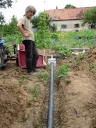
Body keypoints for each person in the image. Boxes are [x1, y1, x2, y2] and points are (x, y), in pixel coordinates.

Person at [17, 5, 39, 74]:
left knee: (36, 55)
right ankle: (29, 71)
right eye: (30, 12)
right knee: (29, 55)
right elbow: (18, 25)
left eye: (33, 13)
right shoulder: (23, 18)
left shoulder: (28, 20)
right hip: (27, 40)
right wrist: (24, 34)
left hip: (31, 40)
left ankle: (33, 69)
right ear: (27, 11)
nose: (31, 14)